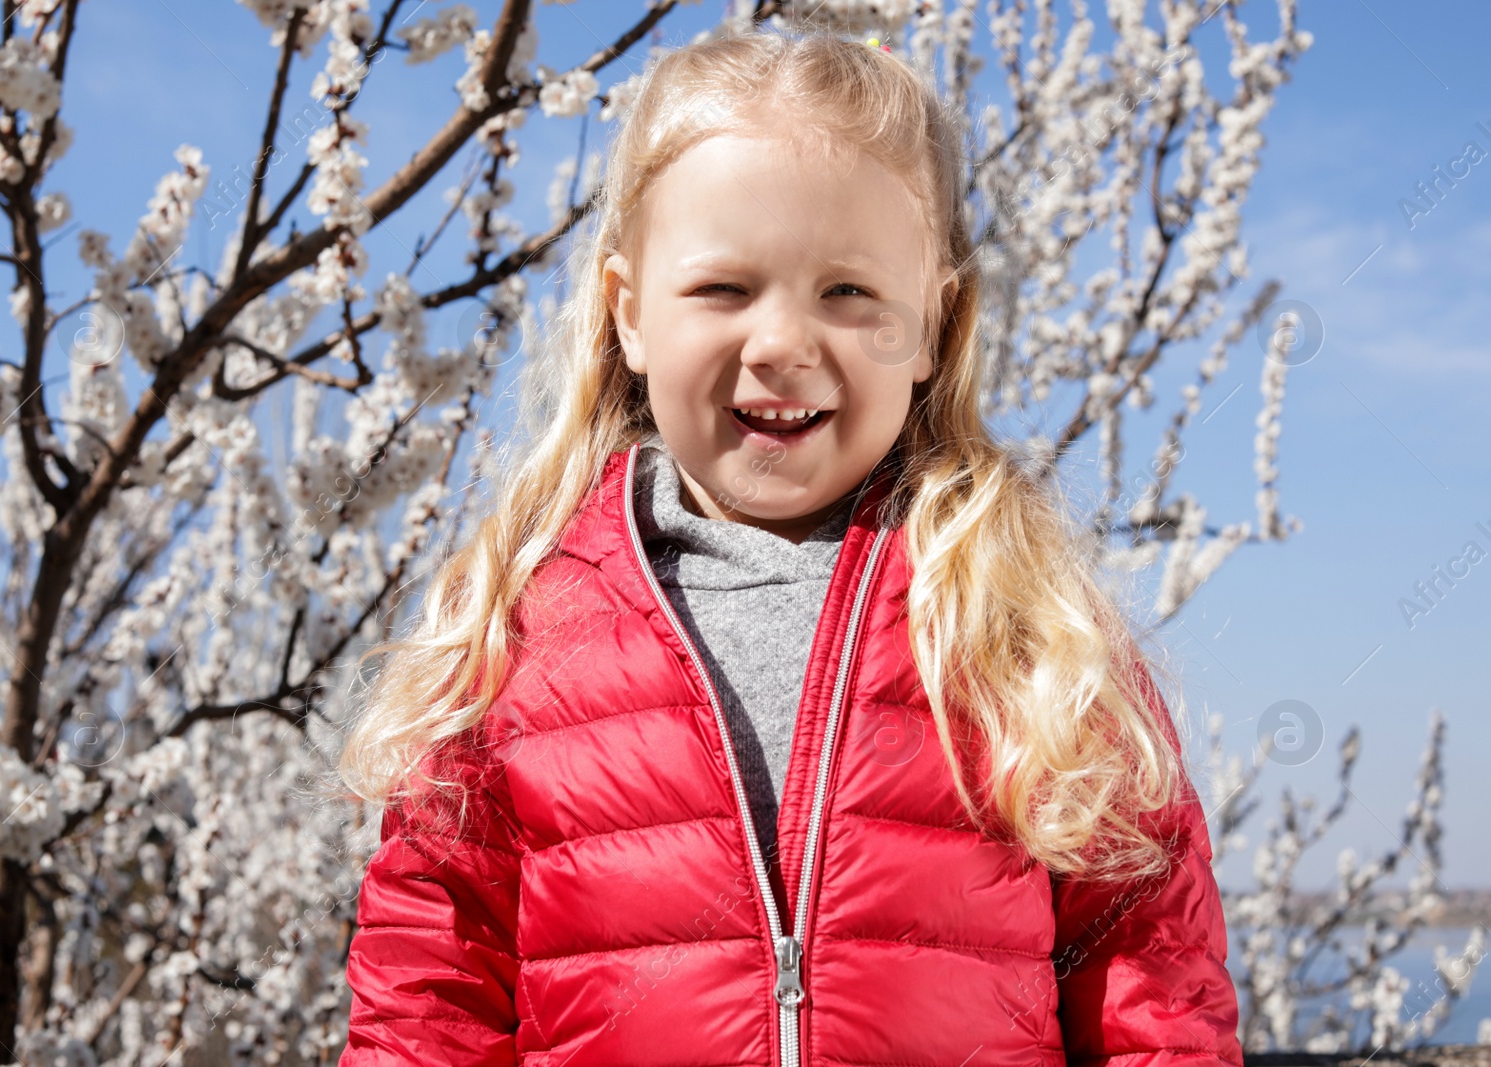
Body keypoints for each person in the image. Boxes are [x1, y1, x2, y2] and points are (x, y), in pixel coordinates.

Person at [336, 27, 1241, 1067]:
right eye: (724, 289)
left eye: (848, 293)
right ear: (629, 314)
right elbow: (427, 996)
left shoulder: (1024, 627)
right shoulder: (520, 630)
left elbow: (1152, 982)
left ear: (936, 324)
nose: (780, 343)